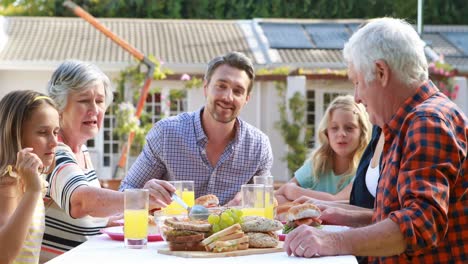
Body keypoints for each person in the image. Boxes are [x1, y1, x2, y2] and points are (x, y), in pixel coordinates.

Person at [284, 17, 467, 263]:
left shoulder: (427, 121)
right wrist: (343, 215)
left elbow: (420, 223)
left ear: (381, 72)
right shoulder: (403, 122)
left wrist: (331, 241)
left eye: (357, 83)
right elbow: (396, 216)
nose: (357, 97)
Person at [40, 60, 173, 261]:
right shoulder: (53, 150)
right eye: (84, 100)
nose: (94, 109)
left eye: (100, 101)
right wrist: (140, 199)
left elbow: (88, 218)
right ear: (59, 106)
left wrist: (113, 219)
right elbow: (81, 202)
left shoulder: (81, 151)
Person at [119, 51, 273, 206]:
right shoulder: (166, 134)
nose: (228, 97)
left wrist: (251, 202)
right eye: (221, 86)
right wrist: (144, 194)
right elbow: (126, 191)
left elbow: (265, 205)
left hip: (231, 229)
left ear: (246, 98)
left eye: (237, 91)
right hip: (173, 228)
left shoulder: (258, 146)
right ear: (205, 87)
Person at [275, 95, 371, 204]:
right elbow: (278, 197)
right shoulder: (318, 163)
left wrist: (294, 191)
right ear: (327, 133)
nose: (341, 134)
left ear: (362, 132)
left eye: (349, 128)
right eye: (334, 128)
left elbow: (336, 201)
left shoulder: (366, 168)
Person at [0, 91, 59, 264]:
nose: (54, 141)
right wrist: (32, 191)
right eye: (43, 132)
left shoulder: (31, 180)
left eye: (56, 132)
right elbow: (4, 255)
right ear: (15, 135)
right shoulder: (8, 183)